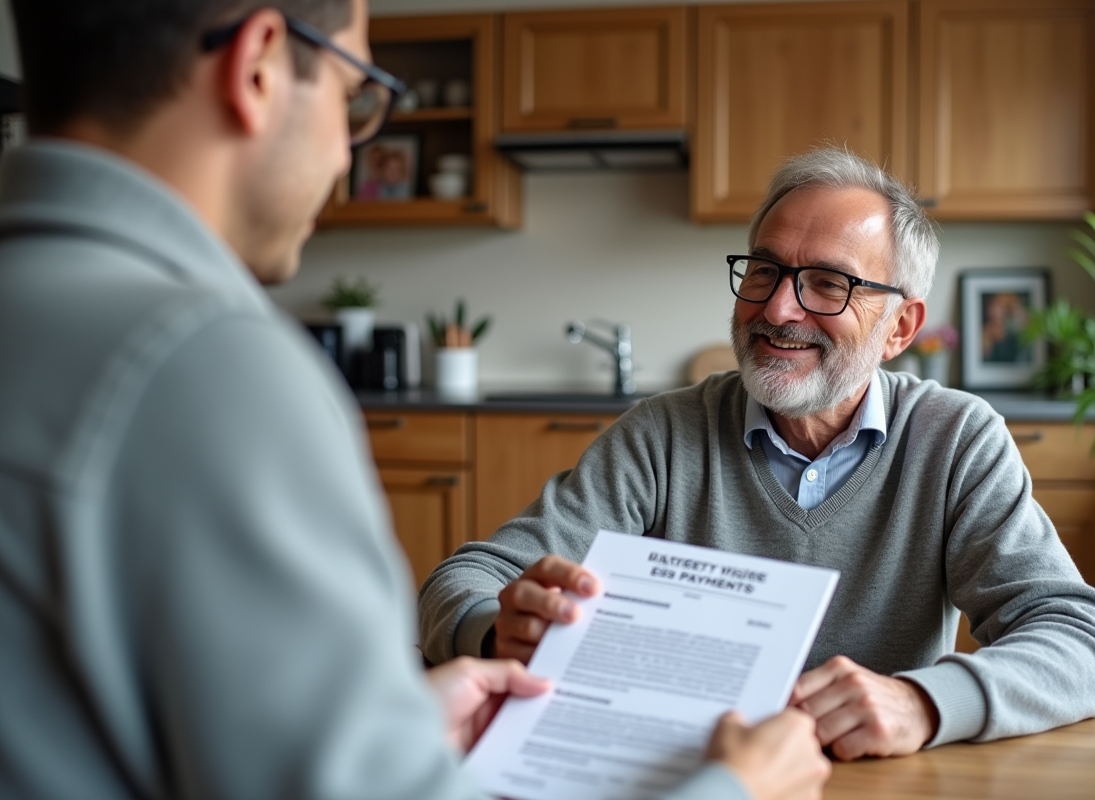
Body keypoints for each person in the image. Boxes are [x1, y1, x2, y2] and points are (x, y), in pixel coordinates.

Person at [0, 2, 829, 799]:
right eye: (351, 94)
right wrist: (736, 789)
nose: (344, 154)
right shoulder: (213, 367)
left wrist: (387, 732)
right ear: (255, 66)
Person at [418, 148, 1095, 762]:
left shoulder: (957, 440)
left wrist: (925, 704)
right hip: (686, 772)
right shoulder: (662, 435)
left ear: (900, 327)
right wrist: (494, 631)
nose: (779, 309)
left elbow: (1079, 646)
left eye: (828, 282)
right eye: (765, 270)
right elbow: (467, 577)